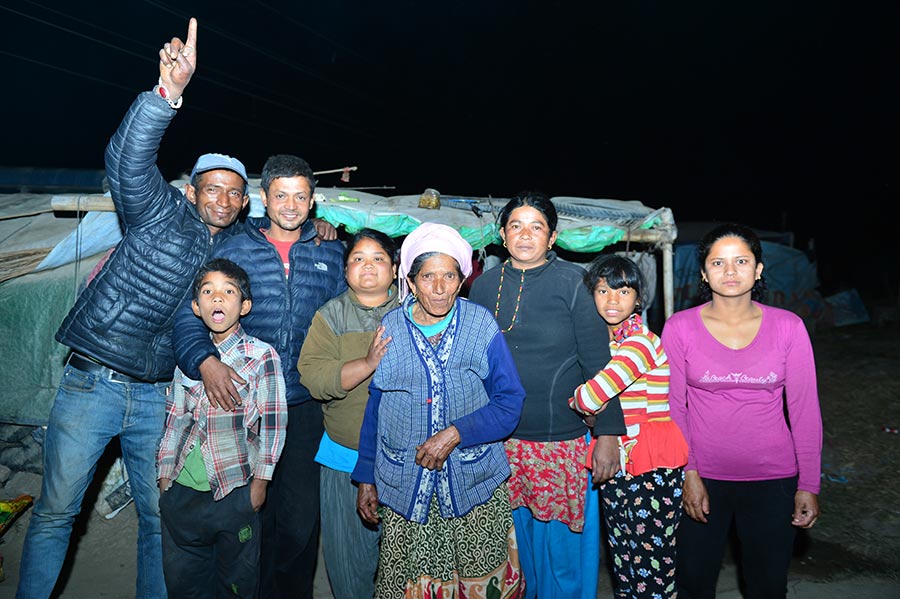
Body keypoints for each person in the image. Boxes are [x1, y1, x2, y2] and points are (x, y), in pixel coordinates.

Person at [15, 19, 253, 599]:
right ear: (192, 190)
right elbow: (126, 161)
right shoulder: (157, 212)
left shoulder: (233, 252)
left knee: (157, 520)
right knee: (55, 512)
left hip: (157, 396)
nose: (220, 200)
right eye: (211, 188)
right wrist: (165, 95)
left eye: (233, 192)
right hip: (92, 382)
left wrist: (321, 227)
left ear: (243, 203)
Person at [173, 153, 346, 599]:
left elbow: (347, 321)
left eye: (300, 196)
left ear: (313, 202)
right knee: (249, 516)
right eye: (281, 195)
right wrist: (205, 362)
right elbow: (194, 311)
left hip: (308, 406)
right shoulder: (233, 249)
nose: (290, 205)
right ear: (263, 199)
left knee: (300, 519)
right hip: (245, 404)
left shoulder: (329, 249)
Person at [351, 222, 526, 599]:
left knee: (481, 586)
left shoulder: (480, 324)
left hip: (473, 484)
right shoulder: (391, 327)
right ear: (411, 283)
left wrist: (457, 432)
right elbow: (376, 406)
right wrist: (366, 475)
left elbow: (510, 401)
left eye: (450, 276)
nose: (440, 287)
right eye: (428, 276)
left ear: (462, 280)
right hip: (405, 485)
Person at [468, 192, 626, 599]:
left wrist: (608, 435)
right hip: (500, 444)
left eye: (536, 227)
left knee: (562, 561)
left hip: (562, 445)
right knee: (517, 561)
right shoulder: (484, 286)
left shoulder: (575, 283)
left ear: (552, 237)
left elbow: (598, 365)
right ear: (502, 234)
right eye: (516, 226)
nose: (525, 235)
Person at [661, 223, 822, 599]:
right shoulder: (679, 328)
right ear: (703, 272)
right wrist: (689, 472)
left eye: (741, 261)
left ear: (759, 269)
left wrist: (808, 485)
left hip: (773, 480)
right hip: (702, 480)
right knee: (693, 583)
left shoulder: (789, 328)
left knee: (767, 586)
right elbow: (673, 408)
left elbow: (804, 411)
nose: (730, 272)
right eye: (718, 262)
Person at [157, 258, 287, 599]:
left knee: (236, 583)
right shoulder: (188, 357)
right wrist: (164, 475)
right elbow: (174, 417)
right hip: (182, 490)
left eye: (228, 292)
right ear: (196, 307)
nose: (218, 298)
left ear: (244, 306)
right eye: (208, 292)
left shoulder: (261, 356)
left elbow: (274, 424)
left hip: (234, 488)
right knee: (184, 583)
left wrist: (261, 484)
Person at [569, 254, 689, 599]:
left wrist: (577, 399)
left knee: (652, 562)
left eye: (623, 292)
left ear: (638, 299)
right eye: (604, 290)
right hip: (620, 459)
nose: (612, 300)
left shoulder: (640, 343)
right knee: (625, 559)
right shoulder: (606, 345)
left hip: (652, 462)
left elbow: (590, 398)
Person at [297, 229, 400, 599]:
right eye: (358, 259)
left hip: (408, 461)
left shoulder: (415, 312)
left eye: (377, 258)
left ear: (394, 267)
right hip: (345, 455)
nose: (367, 266)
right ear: (345, 270)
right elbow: (314, 377)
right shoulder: (330, 317)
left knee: (404, 562)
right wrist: (368, 362)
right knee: (347, 562)